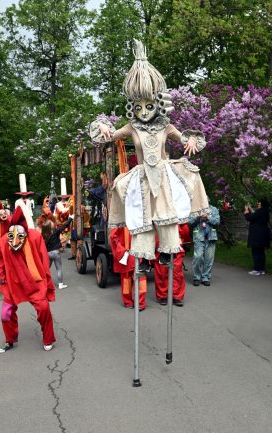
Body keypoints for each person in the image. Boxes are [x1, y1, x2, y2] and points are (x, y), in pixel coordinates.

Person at [91, 39, 208, 273]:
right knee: (141, 215)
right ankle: (143, 258)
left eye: (149, 106)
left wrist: (192, 140)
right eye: (138, 107)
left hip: (163, 175)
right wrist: (102, 126)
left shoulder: (166, 126)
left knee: (166, 213)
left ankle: (166, 250)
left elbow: (185, 139)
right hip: (143, 177)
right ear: (132, 107)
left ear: (157, 104)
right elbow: (110, 135)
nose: (143, 111)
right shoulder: (132, 127)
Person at [0, 206, 56, 353]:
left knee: (44, 309)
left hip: (34, 281)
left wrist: (46, 280)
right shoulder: (3, 242)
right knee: (6, 314)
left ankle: (48, 338)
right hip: (13, 282)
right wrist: (3, 277)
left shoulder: (34, 237)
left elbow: (43, 259)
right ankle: (10, 340)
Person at [110, 226, 148, 310]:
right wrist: (122, 251)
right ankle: (132, 302)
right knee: (128, 280)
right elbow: (113, 237)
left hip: (136, 252)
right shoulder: (121, 219)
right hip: (128, 253)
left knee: (138, 279)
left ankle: (135, 302)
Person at [154, 223, 190, 306]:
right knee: (162, 271)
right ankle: (163, 295)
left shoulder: (177, 212)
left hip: (175, 243)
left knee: (175, 272)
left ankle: (176, 296)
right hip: (161, 243)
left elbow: (184, 228)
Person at [39, 214, 73, 290]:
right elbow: (65, 225)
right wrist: (70, 218)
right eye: (52, 223)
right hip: (55, 253)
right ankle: (60, 284)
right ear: (51, 226)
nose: (53, 224)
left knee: (46, 268)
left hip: (48, 253)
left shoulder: (43, 234)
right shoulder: (56, 231)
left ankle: (42, 283)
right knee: (59, 269)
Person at [189, 205, 220, 286]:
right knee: (198, 257)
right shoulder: (195, 209)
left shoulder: (214, 209)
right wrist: (197, 217)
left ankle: (205, 277)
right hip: (198, 237)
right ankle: (197, 277)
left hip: (211, 237)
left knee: (209, 259)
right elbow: (190, 222)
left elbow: (217, 221)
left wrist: (208, 217)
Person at [244, 199, 272, 276]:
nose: (258, 205)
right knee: (261, 252)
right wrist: (250, 209)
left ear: (262, 204)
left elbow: (250, 218)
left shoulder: (260, 211)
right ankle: (262, 269)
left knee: (255, 252)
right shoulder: (266, 211)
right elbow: (255, 215)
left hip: (257, 235)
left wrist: (246, 211)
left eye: (259, 204)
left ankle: (256, 269)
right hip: (263, 235)